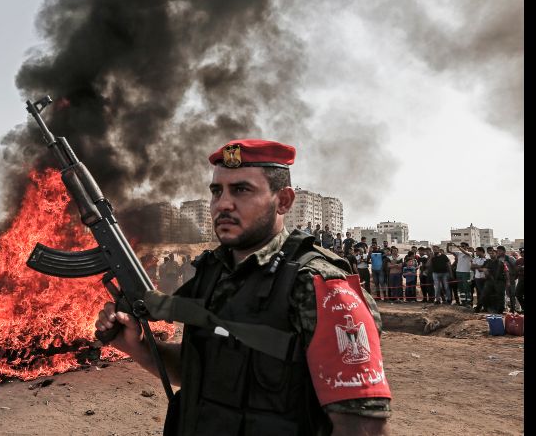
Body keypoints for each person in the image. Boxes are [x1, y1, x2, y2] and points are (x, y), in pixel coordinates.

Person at [95, 139, 391, 435]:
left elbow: (362, 425)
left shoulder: (318, 284)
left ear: (284, 201)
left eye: (241, 190)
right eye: (216, 191)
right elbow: (198, 370)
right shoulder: (212, 273)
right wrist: (134, 344)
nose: (223, 203)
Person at [471, 247, 488, 313]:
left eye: (477, 251)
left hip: (485, 278)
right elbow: (472, 267)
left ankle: (482, 307)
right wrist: (480, 266)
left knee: (484, 293)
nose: (476, 253)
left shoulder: (487, 259)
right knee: (479, 293)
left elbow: (487, 267)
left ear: (481, 251)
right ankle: (480, 307)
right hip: (477, 278)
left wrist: (477, 266)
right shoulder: (475, 259)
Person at [515, 248, 524, 313]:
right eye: (522, 252)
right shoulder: (518, 260)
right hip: (521, 279)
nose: (523, 253)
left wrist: (522, 268)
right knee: (517, 294)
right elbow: (516, 269)